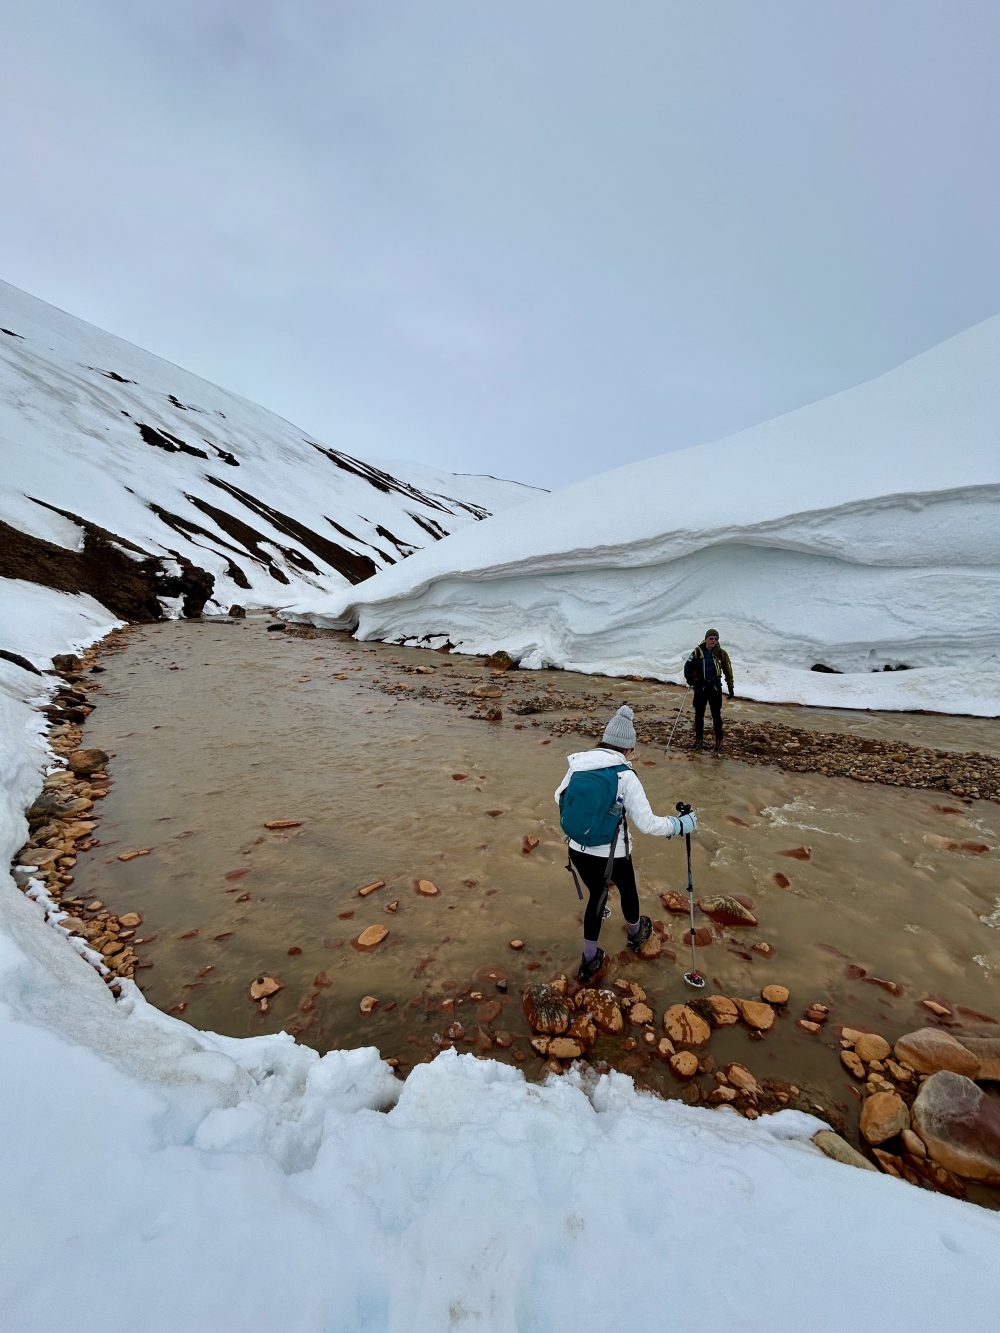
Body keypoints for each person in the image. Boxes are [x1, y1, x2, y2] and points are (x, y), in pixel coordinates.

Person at [555, 704, 698, 983]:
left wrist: (589, 819)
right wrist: (681, 825)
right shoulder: (625, 776)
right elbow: (647, 824)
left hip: (576, 847)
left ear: (604, 740)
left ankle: (589, 959)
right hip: (613, 853)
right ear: (628, 749)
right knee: (628, 889)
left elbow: (559, 797)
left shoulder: (579, 765)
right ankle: (635, 934)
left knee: (597, 895)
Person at [684, 628, 734, 752]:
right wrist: (690, 678)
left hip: (715, 688)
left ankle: (719, 741)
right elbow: (687, 666)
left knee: (716, 715)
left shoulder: (722, 653)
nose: (713, 640)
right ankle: (699, 740)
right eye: (711, 638)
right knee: (699, 715)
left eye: (716, 639)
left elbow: (728, 670)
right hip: (700, 687)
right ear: (706, 639)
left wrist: (730, 686)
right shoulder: (698, 651)